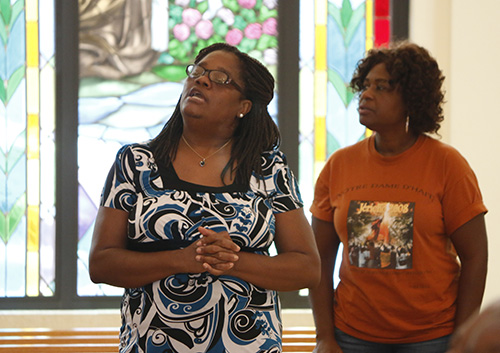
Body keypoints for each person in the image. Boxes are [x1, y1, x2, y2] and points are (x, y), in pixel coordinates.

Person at [89, 42, 321, 353]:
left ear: (244, 106)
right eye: (196, 72)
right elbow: (101, 263)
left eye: (220, 78)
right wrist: (182, 259)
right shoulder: (135, 163)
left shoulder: (268, 170)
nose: (200, 79)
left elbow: (307, 268)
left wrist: (231, 261)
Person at [308, 41, 488, 353]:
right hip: (351, 335)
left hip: (433, 338)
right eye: (365, 85)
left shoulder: (447, 164)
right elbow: (319, 258)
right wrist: (324, 336)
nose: (366, 94)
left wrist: (463, 339)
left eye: (382, 87)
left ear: (411, 98)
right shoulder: (340, 165)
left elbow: (475, 257)